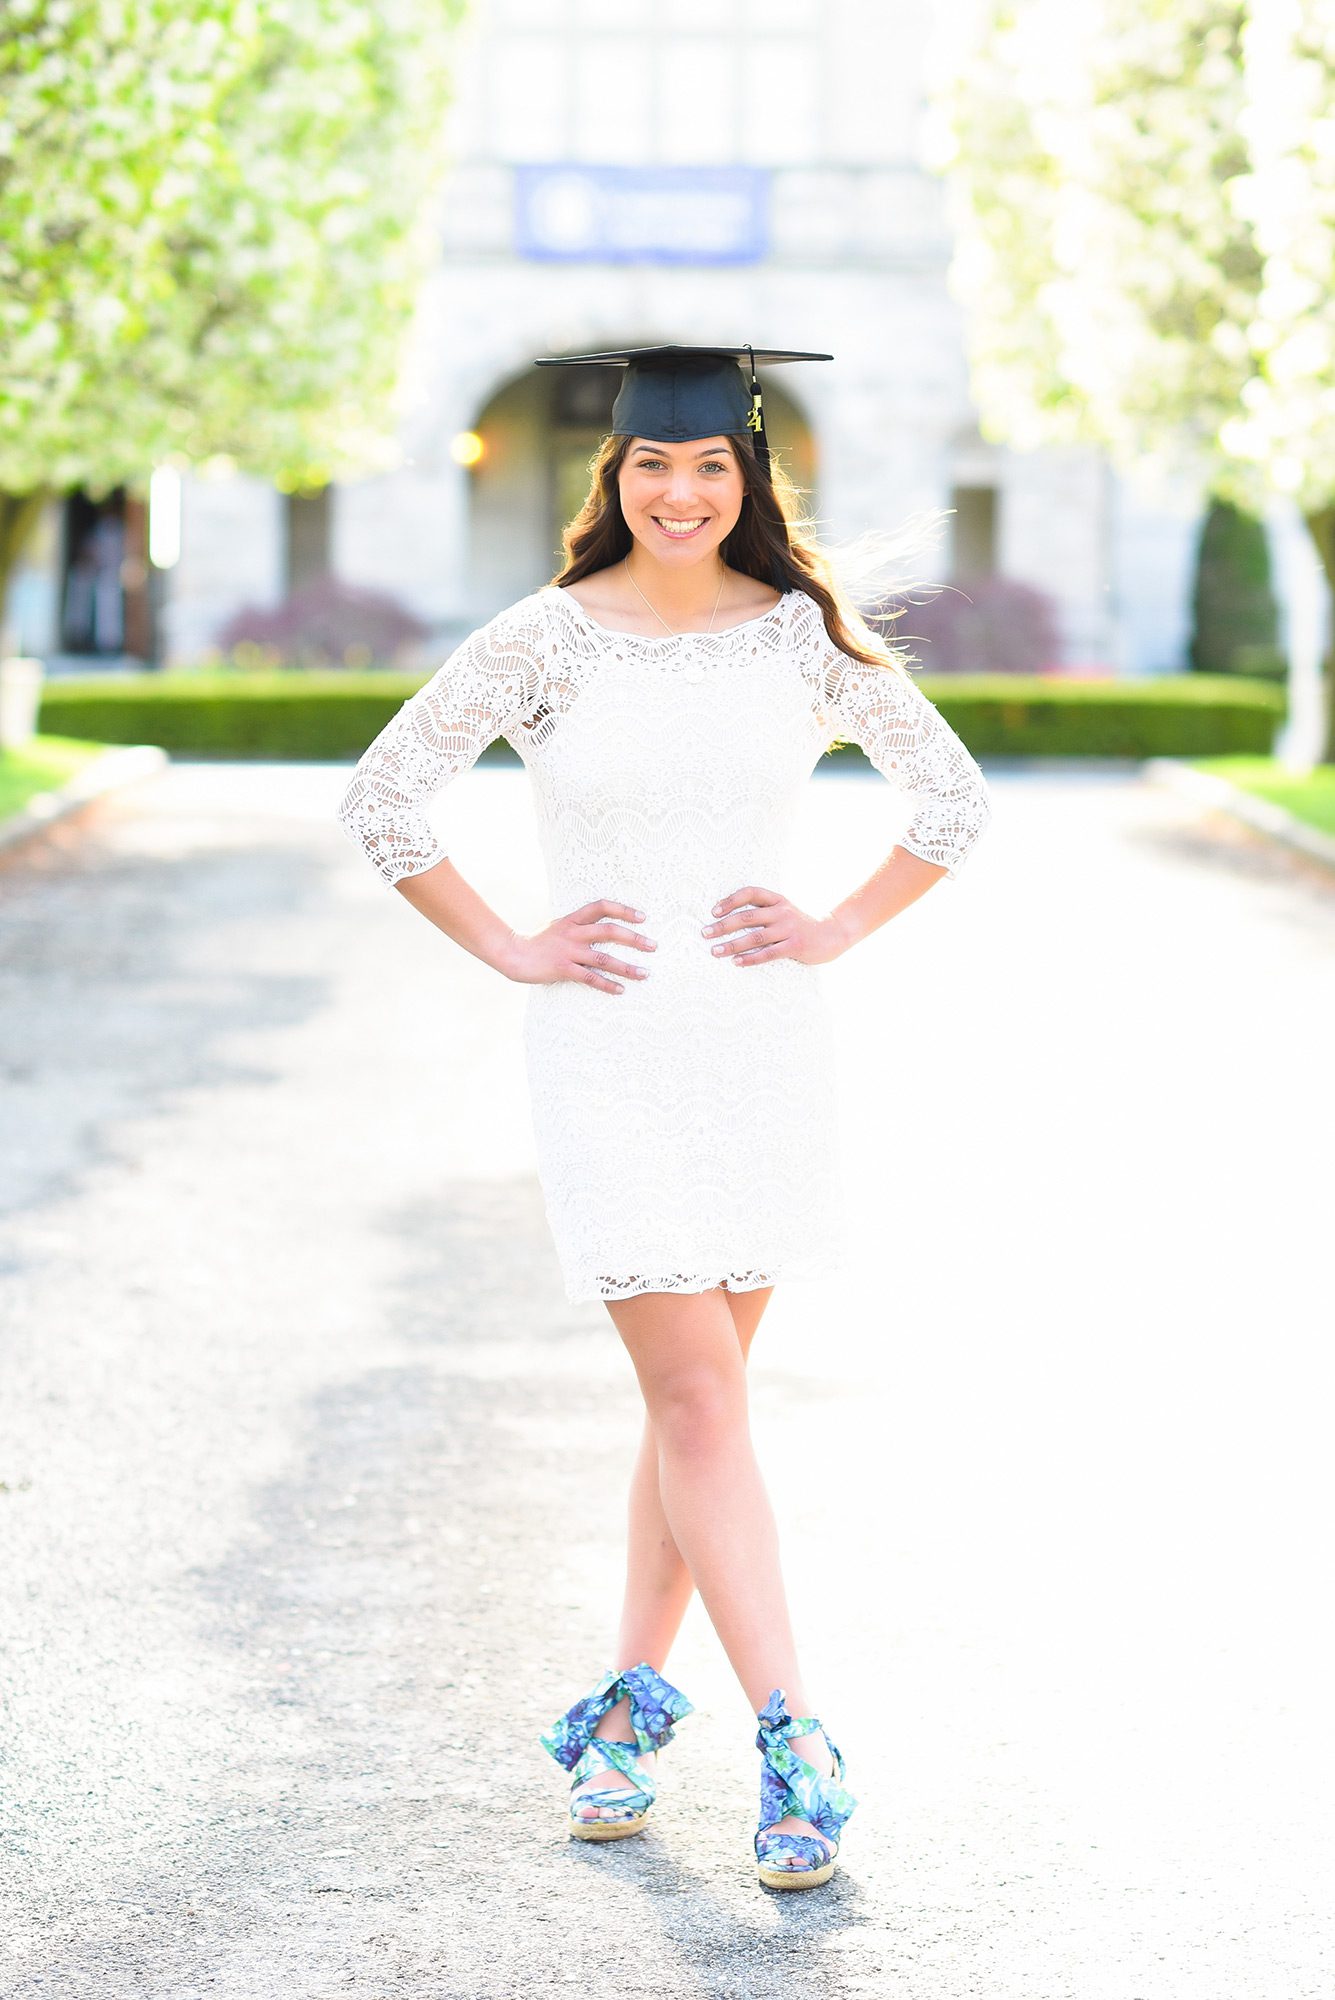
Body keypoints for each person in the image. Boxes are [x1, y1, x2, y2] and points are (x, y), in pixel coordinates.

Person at [336, 342, 993, 1891]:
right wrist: (513, 944)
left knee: (692, 1411)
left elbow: (953, 800)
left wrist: (834, 925)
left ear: (747, 476)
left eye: (708, 466)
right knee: (700, 1402)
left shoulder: (802, 640)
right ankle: (795, 1738)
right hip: (608, 1053)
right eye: (652, 465)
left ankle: (624, 1717)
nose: (680, 493)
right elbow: (383, 795)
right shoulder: (545, 639)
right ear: (613, 475)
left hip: (760, 1052)